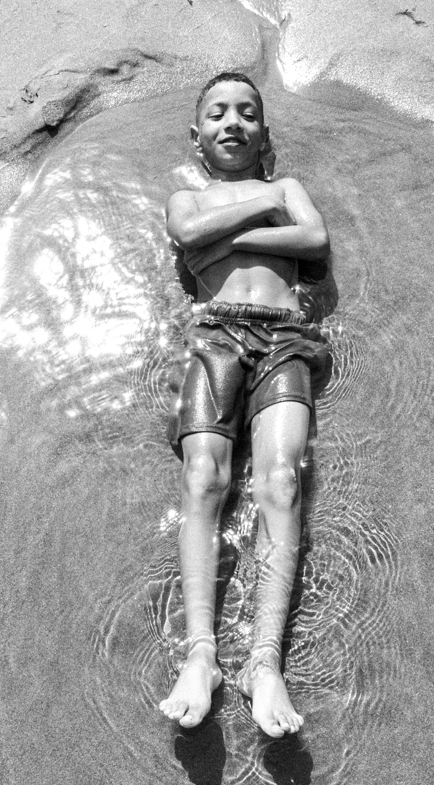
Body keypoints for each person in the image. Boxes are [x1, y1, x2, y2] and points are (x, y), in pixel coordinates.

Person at [157, 72, 331, 736]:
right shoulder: (187, 196)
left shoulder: (285, 189)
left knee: (281, 480)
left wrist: (233, 234)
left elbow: (314, 243)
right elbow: (186, 232)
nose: (233, 121)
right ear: (196, 136)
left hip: (287, 337)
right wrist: (257, 213)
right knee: (204, 477)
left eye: (247, 113)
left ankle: (265, 664)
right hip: (215, 335)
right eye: (218, 113)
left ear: (264, 133)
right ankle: (200, 655)